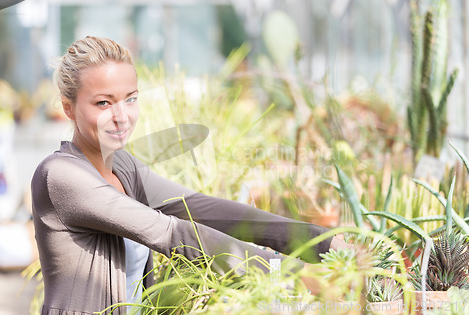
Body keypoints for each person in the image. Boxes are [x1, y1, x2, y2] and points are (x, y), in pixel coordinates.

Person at [32, 36, 350, 315]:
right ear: (69, 108)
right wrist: (292, 274)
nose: (121, 117)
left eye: (130, 99)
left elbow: (206, 210)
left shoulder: (123, 167)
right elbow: (172, 233)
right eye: (104, 102)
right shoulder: (61, 176)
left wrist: (321, 241)